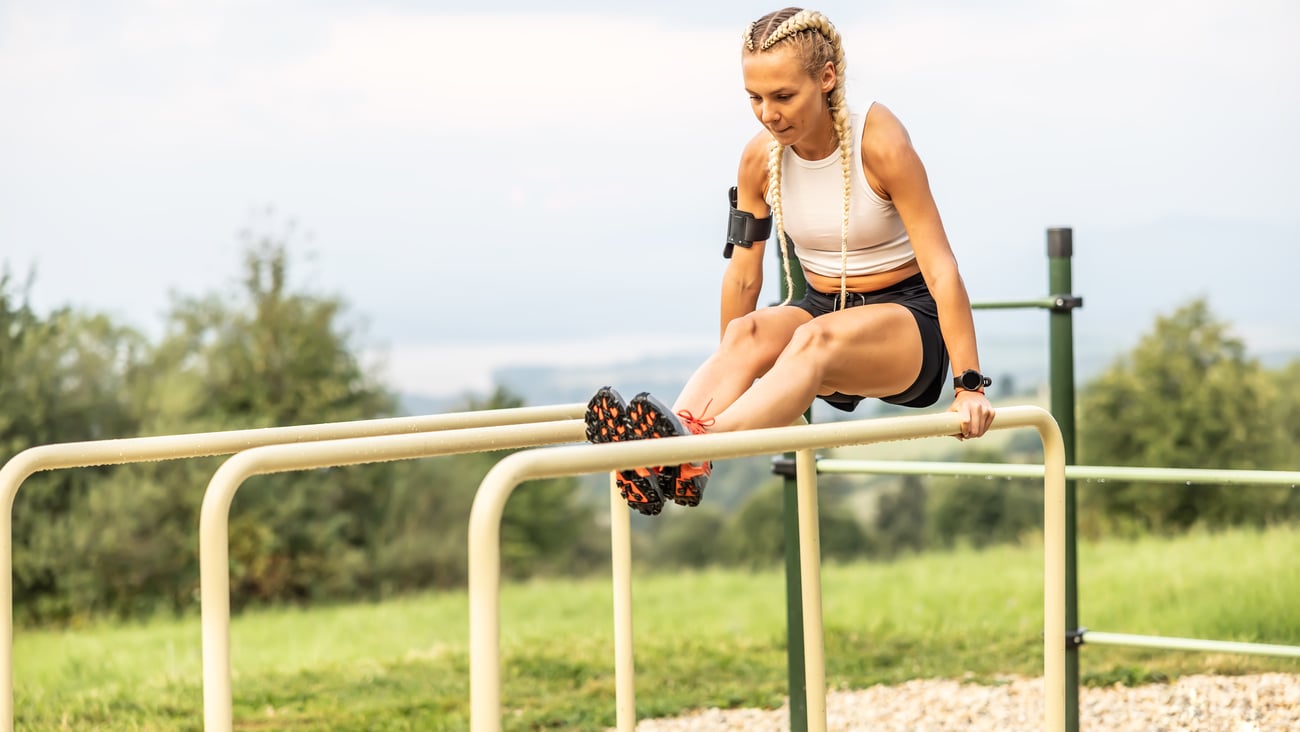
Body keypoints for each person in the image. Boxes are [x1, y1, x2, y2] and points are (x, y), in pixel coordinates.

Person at [586, 7, 995, 516]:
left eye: (783, 96)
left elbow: (941, 268)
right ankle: (673, 444)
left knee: (813, 339)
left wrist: (969, 385)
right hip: (821, 306)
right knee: (747, 333)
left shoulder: (880, 142)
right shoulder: (760, 159)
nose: (767, 113)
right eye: (754, 98)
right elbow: (742, 276)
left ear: (826, 78)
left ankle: (690, 450)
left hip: (907, 323)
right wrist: (735, 381)